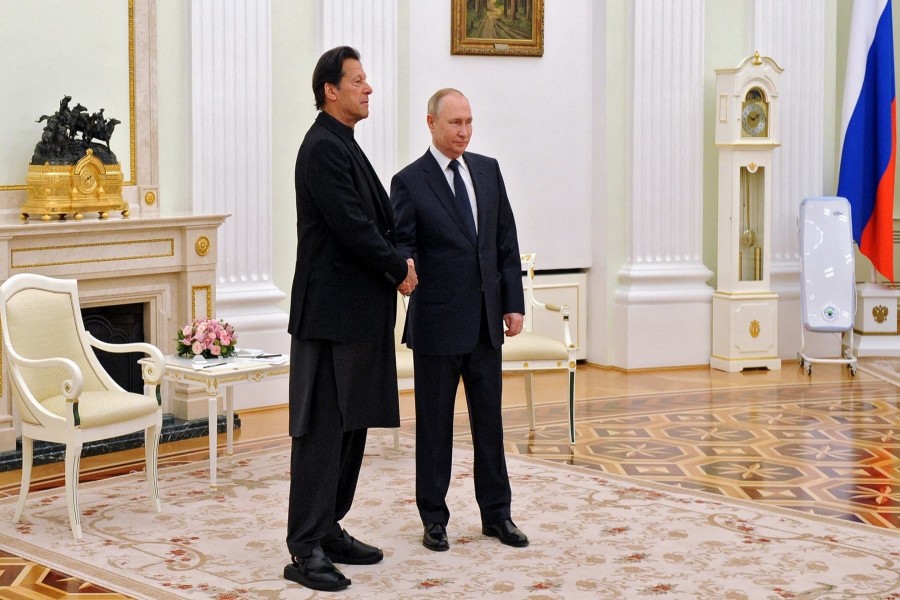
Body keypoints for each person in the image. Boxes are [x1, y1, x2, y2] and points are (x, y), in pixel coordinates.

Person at [285, 45, 417, 592]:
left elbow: (369, 221)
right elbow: (352, 226)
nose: (369, 88)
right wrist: (398, 268)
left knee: (351, 426)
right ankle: (305, 547)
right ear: (329, 91)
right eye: (358, 80)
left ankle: (330, 526)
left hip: (357, 316)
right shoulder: (322, 147)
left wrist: (395, 263)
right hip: (329, 317)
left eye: (368, 80)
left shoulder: (345, 143)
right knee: (321, 431)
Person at [390, 88, 528, 553]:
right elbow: (403, 245)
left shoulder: (488, 171)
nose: (464, 132)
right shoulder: (408, 181)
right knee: (435, 427)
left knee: (490, 424)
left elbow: (504, 241)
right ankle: (434, 518)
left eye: (469, 122)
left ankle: (498, 515)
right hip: (437, 325)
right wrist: (403, 271)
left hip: (487, 322)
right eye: (454, 123)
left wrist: (514, 302)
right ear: (431, 123)